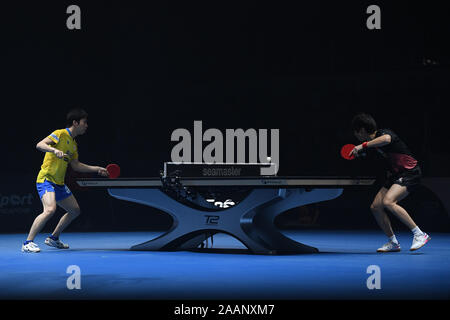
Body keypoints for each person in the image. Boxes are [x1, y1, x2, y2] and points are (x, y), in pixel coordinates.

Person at [22, 108, 109, 253]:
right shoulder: (60, 134)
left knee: (74, 210)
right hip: (46, 179)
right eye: (84, 122)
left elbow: (76, 165)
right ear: (75, 123)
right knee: (50, 210)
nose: (86, 125)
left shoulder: (73, 144)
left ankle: (53, 238)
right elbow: (40, 145)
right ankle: (27, 242)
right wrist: (54, 150)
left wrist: (96, 169)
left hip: (59, 183)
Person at [350, 113, 430, 252]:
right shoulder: (372, 147)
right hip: (396, 175)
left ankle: (420, 234)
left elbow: (387, 139)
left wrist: (362, 146)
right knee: (375, 207)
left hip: (410, 172)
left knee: (388, 202)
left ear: (362, 130)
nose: (356, 135)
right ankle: (393, 242)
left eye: (356, 132)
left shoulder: (384, 133)